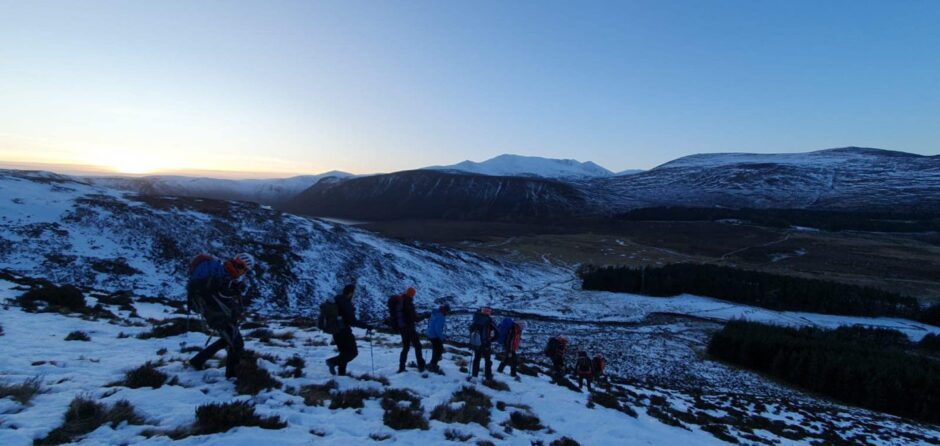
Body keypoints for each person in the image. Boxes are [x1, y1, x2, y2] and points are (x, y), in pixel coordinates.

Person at [187, 252, 254, 379]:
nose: (243, 272)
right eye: (244, 268)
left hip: (213, 314)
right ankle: (232, 376)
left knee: (226, 340)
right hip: (217, 316)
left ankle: (197, 361)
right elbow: (221, 298)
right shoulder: (225, 277)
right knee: (236, 343)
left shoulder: (222, 271)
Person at [326, 284, 372, 376]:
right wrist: (366, 326)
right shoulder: (346, 303)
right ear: (350, 293)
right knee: (352, 352)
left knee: (344, 353)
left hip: (336, 331)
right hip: (344, 332)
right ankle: (332, 362)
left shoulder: (337, 300)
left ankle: (342, 375)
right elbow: (352, 321)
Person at [395, 287, 426, 373]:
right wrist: (424, 316)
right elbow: (415, 318)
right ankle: (421, 366)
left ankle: (401, 367)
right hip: (410, 328)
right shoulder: (408, 303)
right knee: (418, 346)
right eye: (413, 294)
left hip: (403, 329)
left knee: (405, 348)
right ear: (412, 294)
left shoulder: (401, 301)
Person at [470, 307, 498, 380]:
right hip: (486, 343)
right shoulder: (490, 321)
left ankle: (474, 375)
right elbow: (497, 332)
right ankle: (488, 377)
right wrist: (492, 339)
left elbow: (470, 329)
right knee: (487, 360)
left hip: (477, 343)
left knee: (477, 359)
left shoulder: (476, 319)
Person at [425, 303, 450, 374]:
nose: (447, 313)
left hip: (430, 333)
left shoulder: (435, 313)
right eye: (447, 311)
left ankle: (432, 363)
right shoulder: (441, 316)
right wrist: (442, 337)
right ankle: (433, 365)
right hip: (434, 335)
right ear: (445, 310)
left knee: (436, 348)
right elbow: (438, 329)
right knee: (439, 349)